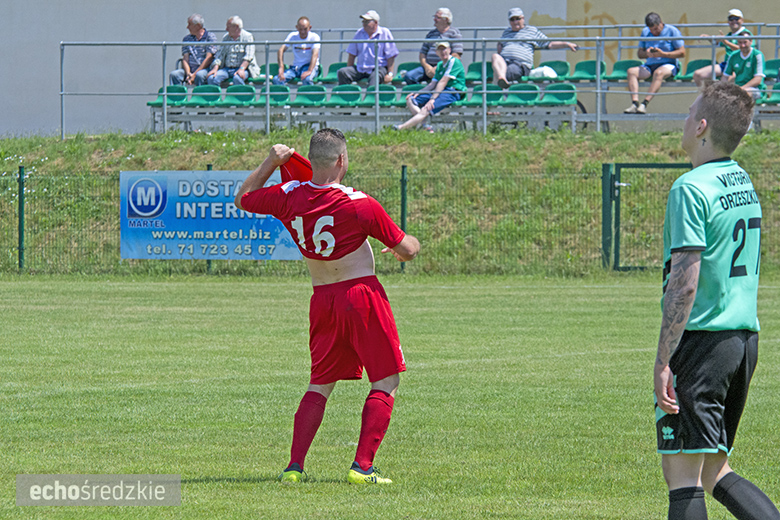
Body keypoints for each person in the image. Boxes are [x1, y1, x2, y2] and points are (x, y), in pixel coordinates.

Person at [235, 129, 420, 485]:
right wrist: (408, 244)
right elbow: (408, 250)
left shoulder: (288, 196)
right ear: (341, 160)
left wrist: (271, 162)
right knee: (385, 378)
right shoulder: (359, 202)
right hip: (361, 295)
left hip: (322, 299)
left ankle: (293, 468)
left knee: (320, 383)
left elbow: (243, 198)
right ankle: (362, 468)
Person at [654, 81, 780, 520]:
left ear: (703, 126)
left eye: (689, 113)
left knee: (683, 475)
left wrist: (663, 359)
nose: (684, 121)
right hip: (743, 341)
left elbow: (685, 284)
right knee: (714, 469)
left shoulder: (690, 188)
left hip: (704, 340)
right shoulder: (741, 180)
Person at [491, 8, 578, 89]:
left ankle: (499, 87)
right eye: (512, 20)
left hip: (520, 64)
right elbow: (501, 44)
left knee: (505, 71)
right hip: (505, 62)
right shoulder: (507, 32)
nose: (515, 22)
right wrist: (499, 45)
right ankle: (501, 79)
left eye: (517, 18)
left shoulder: (531, 31)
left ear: (523, 19)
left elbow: (549, 44)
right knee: (495, 56)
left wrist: (567, 44)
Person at [393, 41, 465, 132]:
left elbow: (443, 82)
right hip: (440, 91)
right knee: (410, 99)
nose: (443, 52)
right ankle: (425, 125)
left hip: (452, 92)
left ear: (449, 50)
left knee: (426, 108)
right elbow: (432, 84)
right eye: (440, 50)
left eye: (445, 49)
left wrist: (432, 99)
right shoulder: (439, 65)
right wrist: (418, 93)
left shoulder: (454, 61)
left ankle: (401, 128)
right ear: (436, 53)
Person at [624, 13, 686, 114]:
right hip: (650, 65)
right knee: (631, 72)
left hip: (668, 64)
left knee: (659, 73)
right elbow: (640, 53)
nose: (654, 32)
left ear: (661, 23)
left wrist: (663, 54)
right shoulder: (645, 32)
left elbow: (682, 52)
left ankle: (644, 103)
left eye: (656, 29)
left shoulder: (672, 31)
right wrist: (647, 53)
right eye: (651, 30)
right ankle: (635, 103)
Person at [693, 9, 754, 87]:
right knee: (698, 75)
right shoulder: (729, 35)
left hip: (742, 65)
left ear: (742, 20)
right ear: (728, 22)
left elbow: (745, 50)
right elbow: (717, 42)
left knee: (724, 84)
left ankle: (717, 95)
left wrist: (726, 42)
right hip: (727, 64)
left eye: (737, 19)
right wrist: (707, 37)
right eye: (731, 19)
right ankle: (708, 96)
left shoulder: (747, 34)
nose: (734, 21)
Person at [402, 8, 463, 85]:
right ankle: (420, 94)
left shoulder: (454, 33)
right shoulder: (431, 34)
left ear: (446, 20)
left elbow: (456, 55)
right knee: (409, 77)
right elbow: (422, 53)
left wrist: (439, 67)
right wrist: (427, 67)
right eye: (434, 17)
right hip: (429, 68)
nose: (434, 19)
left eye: (438, 17)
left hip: (445, 67)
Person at [337, 10, 399, 85]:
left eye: (367, 22)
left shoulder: (385, 33)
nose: (364, 24)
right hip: (360, 68)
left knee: (375, 77)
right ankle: (347, 95)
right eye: (363, 21)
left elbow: (391, 55)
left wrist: (390, 74)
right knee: (343, 72)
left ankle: (370, 96)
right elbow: (351, 54)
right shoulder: (359, 33)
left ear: (375, 22)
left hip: (378, 68)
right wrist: (349, 68)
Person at [206, 16, 260, 86]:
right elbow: (220, 55)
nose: (226, 29)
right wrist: (215, 68)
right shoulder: (226, 37)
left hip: (244, 68)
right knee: (212, 78)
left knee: (237, 78)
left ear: (236, 27)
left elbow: (249, 56)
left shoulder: (248, 36)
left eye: (228, 27)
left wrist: (241, 69)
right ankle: (215, 97)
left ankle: (241, 96)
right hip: (227, 68)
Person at [169, 14, 218, 86]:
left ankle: (200, 96)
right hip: (190, 70)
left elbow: (209, 58)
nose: (187, 27)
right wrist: (189, 74)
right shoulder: (187, 39)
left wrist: (195, 74)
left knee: (200, 75)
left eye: (190, 24)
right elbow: (185, 59)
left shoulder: (210, 37)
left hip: (205, 69)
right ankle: (178, 97)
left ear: (198, 26)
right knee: (174, 75)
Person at [273, 17, 321, 86]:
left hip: (309, 66)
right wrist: (281, 67)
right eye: (300, 29)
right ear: (297, 27)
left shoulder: (314, 37)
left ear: (310, 28)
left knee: (307, 79)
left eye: (305, 29)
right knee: (277, 79)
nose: (302, 32)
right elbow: (281, 50)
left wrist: (309, 70)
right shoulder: (293, 36)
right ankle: (284, 96)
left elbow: (315, 54)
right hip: (295, 68)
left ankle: (308, 96)